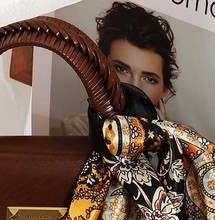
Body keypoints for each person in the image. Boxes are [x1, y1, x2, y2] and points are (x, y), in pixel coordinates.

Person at [61, 2, 179, 134]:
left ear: (164, 90)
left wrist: (162, 137)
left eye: (150, 79)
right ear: (100, 70)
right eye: (121, 69)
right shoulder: (79, 127)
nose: (134, 87)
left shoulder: (186, 139)